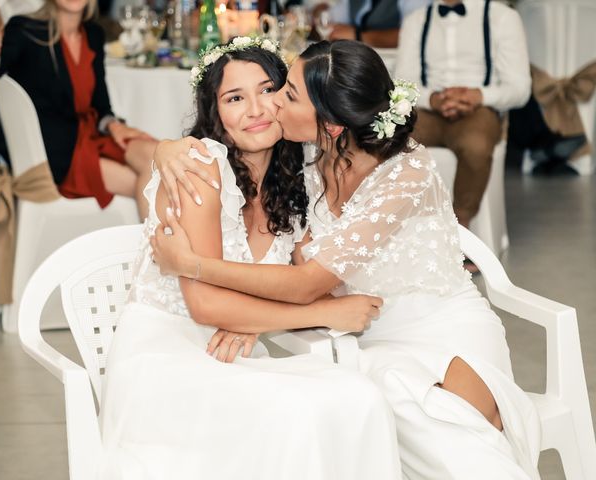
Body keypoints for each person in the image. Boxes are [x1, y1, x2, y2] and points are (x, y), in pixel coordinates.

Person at [151, 39, 541, 479]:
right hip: (363, 338)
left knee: (461, 423)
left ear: (331, 124)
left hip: (444, 326)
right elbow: (218, 140)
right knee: (433, 422)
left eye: (287, 93)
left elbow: (306, 284)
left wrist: (194, 267)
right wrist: (165, 148)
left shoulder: (404, 170)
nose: (272, 103)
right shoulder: (301, 155)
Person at [98, 38, 401, 480]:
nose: (256, 109)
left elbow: (300, 280)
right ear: (215, 112)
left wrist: (254, 320)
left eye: (267, 90)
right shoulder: (200, 167)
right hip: (168, 360)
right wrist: (325, 312)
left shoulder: (297, 179)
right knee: (301, 413)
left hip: (232, 353)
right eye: (235, 98)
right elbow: (205, 305)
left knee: (362, 398)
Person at [0, 0, 156, 218]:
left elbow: (100, 104)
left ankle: (164, 248)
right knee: (150, 184)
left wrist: (112, 124)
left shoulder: (93, 34)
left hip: (92, 136)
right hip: (58, 154)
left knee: (159, 155)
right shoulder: (25, 30)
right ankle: (157, 250)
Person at [394, 0, 530, 250]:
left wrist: (479, 96)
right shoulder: (416, 21)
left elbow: (520, 88)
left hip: (480, 110)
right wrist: (432, 98)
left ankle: (461, 233)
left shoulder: (502, 18)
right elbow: (402, 83)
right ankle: (402, 231)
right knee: (390, 139)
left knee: (475, 145)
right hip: (429, 109)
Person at [306, 0, 401, 47]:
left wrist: (358, 35)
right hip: (357, 58)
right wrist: (317, 15)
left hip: (392, 63)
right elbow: (328, 18)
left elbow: (408, 34)